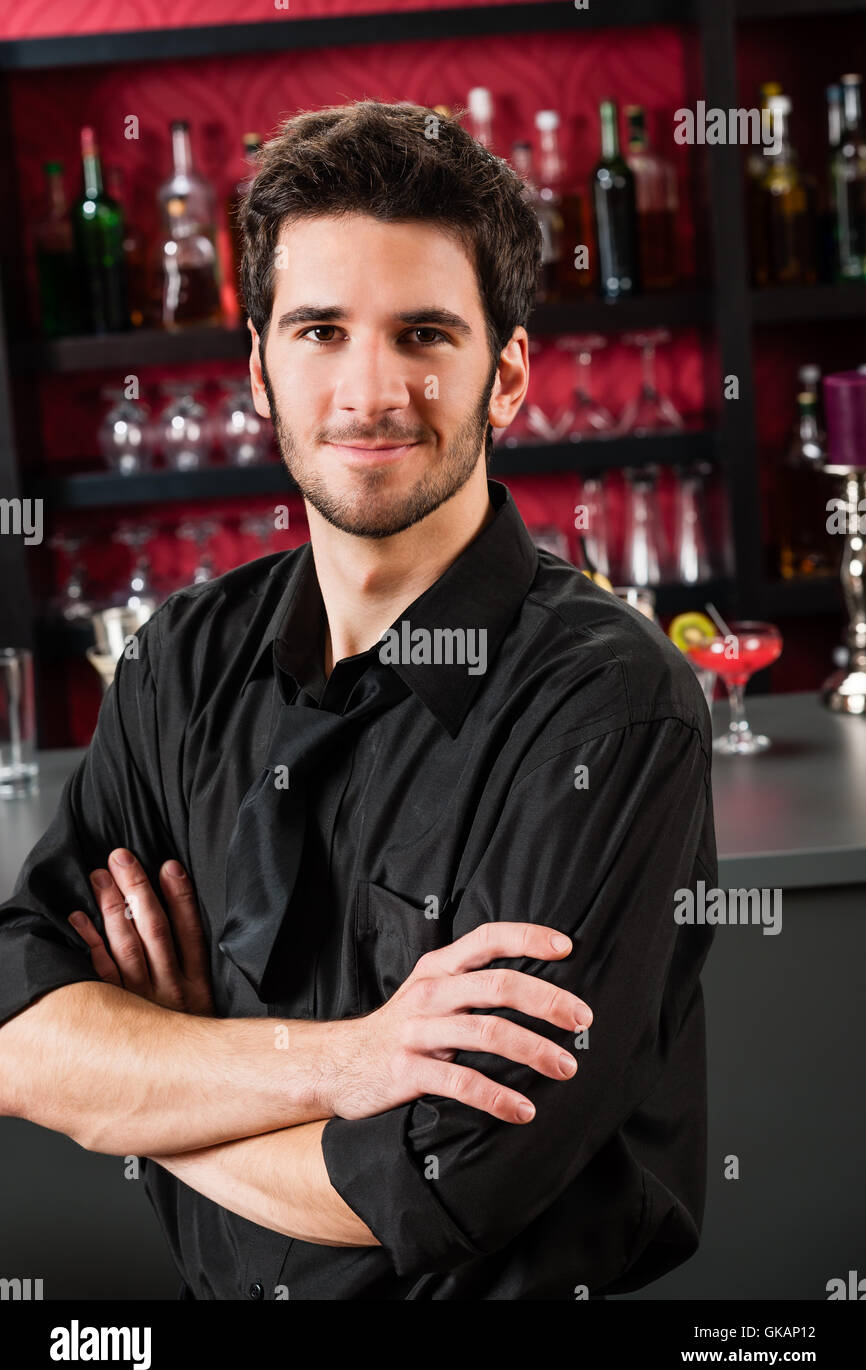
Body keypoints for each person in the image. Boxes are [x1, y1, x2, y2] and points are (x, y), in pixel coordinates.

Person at [0, 101, 717, 1300]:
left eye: (422, 332)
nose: (369, 390)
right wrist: (355, 1060)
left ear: (507, 374)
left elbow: (444, 1180)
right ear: (258, 368)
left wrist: (156, 1089)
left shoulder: (610, 706)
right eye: (321, 330)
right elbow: (20, 1036)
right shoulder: (180, 660)